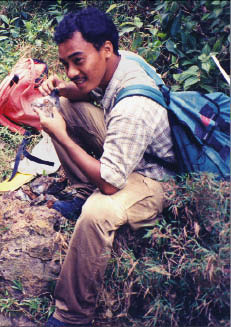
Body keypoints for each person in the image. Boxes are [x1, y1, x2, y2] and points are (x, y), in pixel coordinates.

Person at [34, 7, 175, 327]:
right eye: (65, 64)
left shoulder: (133, 107)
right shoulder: (120, 59)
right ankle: (83, 193)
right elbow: (87, 90)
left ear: (105, 49)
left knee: (98, 212)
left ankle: (72, 316)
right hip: (129, 150)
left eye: (77, 61)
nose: (70, 71)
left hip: (156, 174)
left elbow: (111, 183)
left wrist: (62, 137)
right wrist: (59, 89)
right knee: (66, 104)